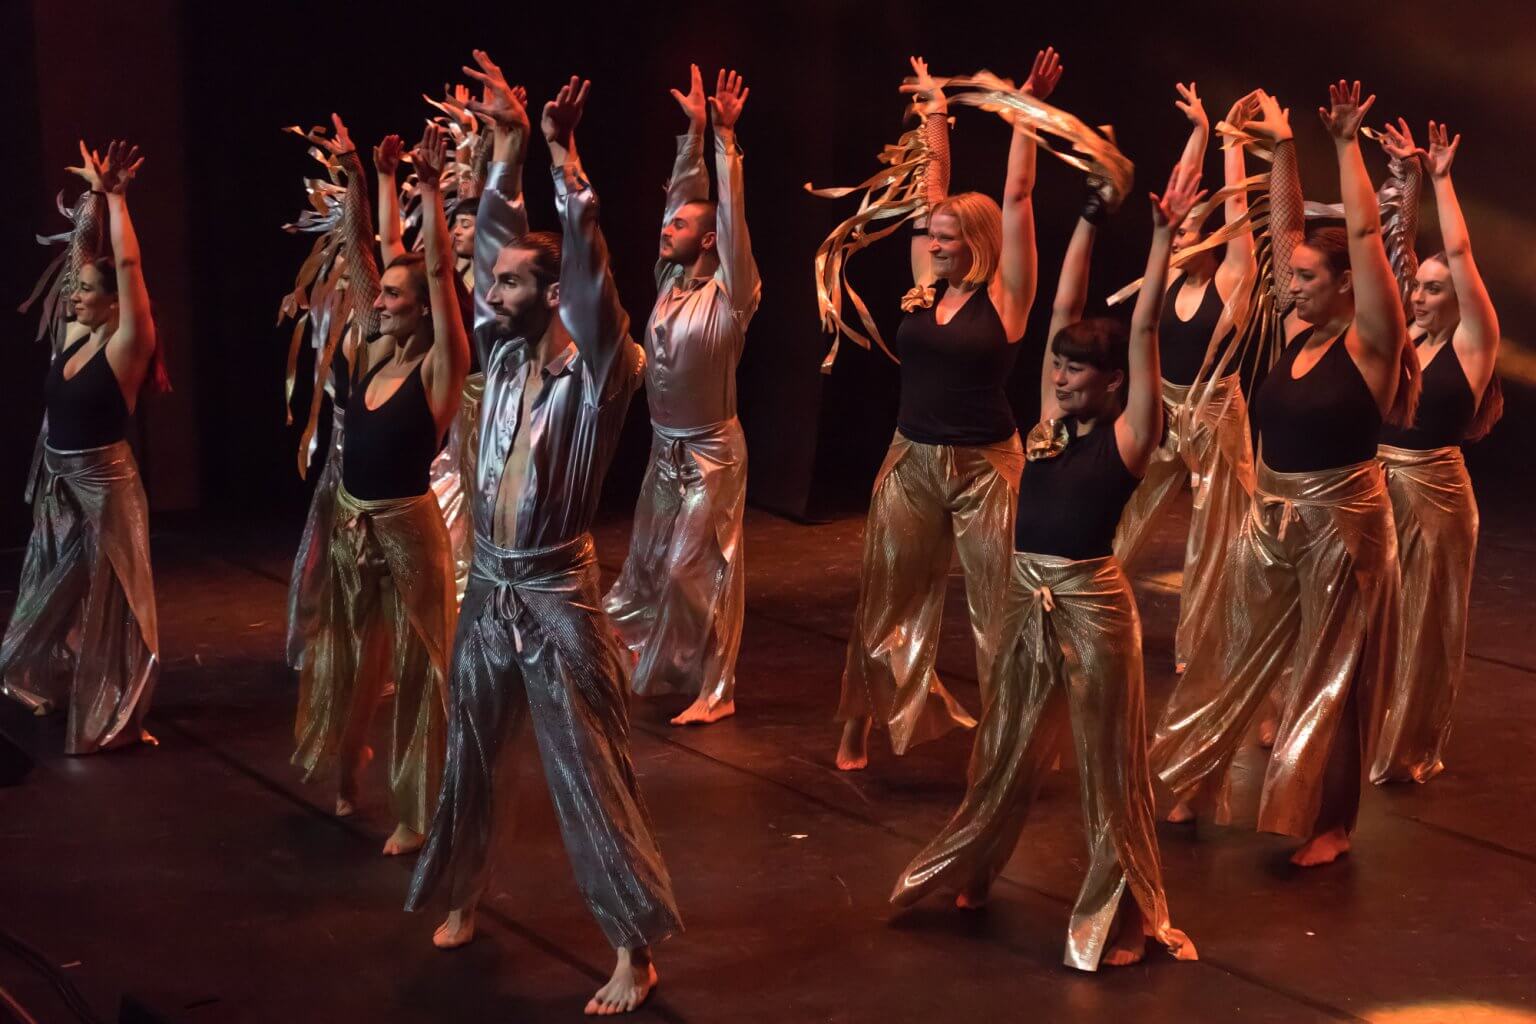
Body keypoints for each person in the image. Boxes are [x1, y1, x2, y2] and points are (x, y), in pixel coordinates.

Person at [404, 55, 680, 1017]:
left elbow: (596, 287)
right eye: (494, 283)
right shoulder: (510, 364)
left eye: (513, 286)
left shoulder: (598, 372)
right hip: (491, 587)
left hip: (560, 598)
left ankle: (630, 948)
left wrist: (568, 166)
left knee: (588, 772)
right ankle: (462, 888)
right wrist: (508, 148)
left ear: (552, 294)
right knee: (469, 750)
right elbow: (488, 242)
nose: (490, 295)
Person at [891, 160, 1203, 971]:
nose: (1061, 377)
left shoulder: (1131, 440)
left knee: (1109, 770)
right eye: (1057, 366)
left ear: (1112, 386)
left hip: (1093, 609)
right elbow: (1065, 306)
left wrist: (1163, 235)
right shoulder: (1044, 427)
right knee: (1004, 745)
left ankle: (1125, 914)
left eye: (1076, 371)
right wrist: (1094, 218)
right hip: (1025, 598)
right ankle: (974, 863)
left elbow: (1141, 334)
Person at [1151, 83, 1418, 867]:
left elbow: (1362, 232)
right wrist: (1282, 147)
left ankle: (1331, 822)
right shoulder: (1297, 325)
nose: (1292, 285)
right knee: (1227, 651)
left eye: (1307, 278)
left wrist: (1344, 146)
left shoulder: (1372, 343)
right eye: (1293, 277)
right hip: (1269, 515)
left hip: (1342, 526)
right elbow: (1286, 229)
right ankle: (1195, 773)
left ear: (1346, 289)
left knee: (1330, 677)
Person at [836, 50, 1059, 771]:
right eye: (930, 236)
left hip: (988, 465)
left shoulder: (1006, 297)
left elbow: (1019, 196)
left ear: (977, 242)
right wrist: (935, 113)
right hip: (910, 457)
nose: (932, 243)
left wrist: (1024, 110)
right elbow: (925, 191)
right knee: (885, 595)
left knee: (1001, 612)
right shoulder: (923, 287)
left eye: (946, 237)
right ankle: (859, 722)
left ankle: (1006, 738)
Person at [291, 117, 469, 857]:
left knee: (420, 667)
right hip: (352, 522)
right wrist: (362, 180)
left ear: (424, 307)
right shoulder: (370, 352)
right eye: (383, 298)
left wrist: (428, 188)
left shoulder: (439, 367)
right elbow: (369, 267)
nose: (383, 303)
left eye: (400, 297)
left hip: (407, 529)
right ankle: (350, 757)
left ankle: (417, 807)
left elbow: (425, 275)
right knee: (353, 652)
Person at [603, 65, 760, 726]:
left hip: (711, 453)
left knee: (701, 570)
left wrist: (725, 141)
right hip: (664, 448)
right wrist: (691, 135)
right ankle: (653, 662)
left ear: (708, 239)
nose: (665, 229)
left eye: (681, 225)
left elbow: (726, 217)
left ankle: (716, 691)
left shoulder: (734, 295)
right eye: (667, 222)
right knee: (648, 568)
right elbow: (686, 195)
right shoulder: (668, 282)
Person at [1, 140, 162, 755]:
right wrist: (94, 194)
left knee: (114, 601)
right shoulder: (74, 332)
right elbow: (80, 260)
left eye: (86, 293)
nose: (72, 298)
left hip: (107, 489)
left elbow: (127, 270)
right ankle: (35, 679)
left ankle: (113, 711)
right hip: (59, 488)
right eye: (75, 293)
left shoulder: (125, 348)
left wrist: (119, 201)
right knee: (44, 594)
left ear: (114, 305)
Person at [1112, 85, 1260, 674]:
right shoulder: (1171, 271)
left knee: (1213, 541)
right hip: (1164, 412)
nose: (1178, 235)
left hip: (1215, 415)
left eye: (1192, 229)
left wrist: (1231, 141)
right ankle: (1083, 609)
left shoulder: (1230, 284)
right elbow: (1180, 193)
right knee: (1124, 512)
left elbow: (1237, 213)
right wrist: (1198, 133)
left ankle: (1197, 653)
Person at [1371, 119, 1502, 783]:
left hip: (1436, 492)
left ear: (1464, 299)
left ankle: (1405, 746)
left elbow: (1459, 249)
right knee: (1362, 611)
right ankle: (1355, 727)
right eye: (1418, 287)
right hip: (1375, 485)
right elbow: (1388, 247)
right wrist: (1406, 178)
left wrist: (1443, 179)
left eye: (1434, 289)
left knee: (1423, 625)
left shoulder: (1473, 343)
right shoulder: (1411, 341)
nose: (1419, 297)